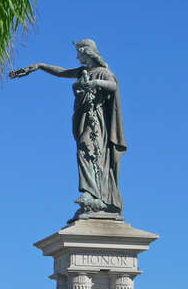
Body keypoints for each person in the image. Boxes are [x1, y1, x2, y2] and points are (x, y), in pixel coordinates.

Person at [10, 39, 126, 219]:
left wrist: (96, 83)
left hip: (96, 120)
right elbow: (61, 72)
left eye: (79, 53)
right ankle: (94, 195)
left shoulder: (102, 72)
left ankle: (90, 194)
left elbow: (113, 85)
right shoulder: (82, 71)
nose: (77, 57)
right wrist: (40, 66)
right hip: (82, 117)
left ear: (86, 52)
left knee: (87, 151)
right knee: (87, 152)